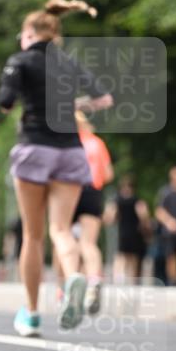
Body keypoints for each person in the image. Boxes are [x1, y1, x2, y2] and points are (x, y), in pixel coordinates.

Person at [0, 0, 113, 336]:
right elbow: (105, 99)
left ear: (31, 33)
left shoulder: (20, 61)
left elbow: (5, 103)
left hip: (35, 148)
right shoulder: (69, 63)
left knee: (33, 235)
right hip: (71, 152)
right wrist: (73, 102)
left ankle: (31, 314)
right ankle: (74, 276)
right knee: (61, 229)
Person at [73, 112, 114, 313]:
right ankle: (94, 279)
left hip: (71, 191)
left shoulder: (69, 143)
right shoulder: (97, 143)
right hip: (93, 192)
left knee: (64, 240)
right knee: (88, 243)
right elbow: (108, 174)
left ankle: (68, 287)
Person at [104, 176, 151, 283]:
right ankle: (132, 280)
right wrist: (146, 228)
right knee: (132, 257)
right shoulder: (137, 200)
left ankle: (118, 279)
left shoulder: (116, 200)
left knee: (121, 256)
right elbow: (144, 215)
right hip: (134, 231)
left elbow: (109, 217)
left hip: (123, 231)